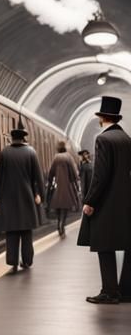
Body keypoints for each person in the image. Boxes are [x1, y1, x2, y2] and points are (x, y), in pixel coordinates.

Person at [78, 96, 131, 304]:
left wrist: (90, 201)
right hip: (126, 202)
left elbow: (100, 176)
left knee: (104, 245)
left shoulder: (103, 139)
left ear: (102, 118)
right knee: (127, 245)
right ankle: (126, 290)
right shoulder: (126, 139)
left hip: (107, 203)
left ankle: (109, 291)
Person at [0, 122, 46, 273]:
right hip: (27, 196)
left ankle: (12, 261)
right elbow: (38, 177)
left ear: (12, 138)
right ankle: (27, 261)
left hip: (8, 198)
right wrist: (40, 195)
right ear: (23, 139)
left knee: (12, 231)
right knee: (26, 232)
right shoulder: (31, 152)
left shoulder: (5, 153)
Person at [47, 141, 81, 238]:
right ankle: (62, 225)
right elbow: (73, 172)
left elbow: (51, 172)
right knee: (65, 208)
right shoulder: (68, 157)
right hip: (67, 187)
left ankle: (59, 224)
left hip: (57, 187)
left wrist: (50, 182)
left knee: (58, 207)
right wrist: (76, 184)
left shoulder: (56, 157)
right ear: (65, 148)